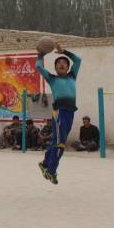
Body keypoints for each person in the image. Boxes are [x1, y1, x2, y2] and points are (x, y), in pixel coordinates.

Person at [36, 42, 81, 185]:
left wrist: (64, 52)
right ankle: (51, 170)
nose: (61, 64)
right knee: (60, 143)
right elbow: (38, 66)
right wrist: (41, 54)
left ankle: (45, 163)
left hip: (70, 112)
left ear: (68, 67)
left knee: (57, 142)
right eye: (59, 63)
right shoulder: (52, 78)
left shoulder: (72, 76)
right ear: (55, 68)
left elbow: (78, 60)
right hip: (59, 112)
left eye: (64, 63)